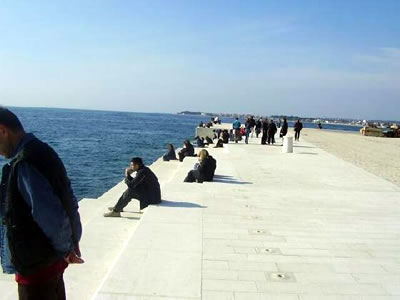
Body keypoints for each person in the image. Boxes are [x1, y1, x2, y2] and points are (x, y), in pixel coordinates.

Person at [0, 107, 83, 300]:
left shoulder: (25, 163)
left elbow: (50, 215)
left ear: (3, 130)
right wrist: (71, 244)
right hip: (49, 262)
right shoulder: (43, 151)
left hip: (37, 266)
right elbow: (68, 198)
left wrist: (66, 249)